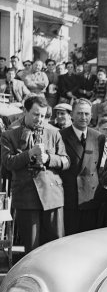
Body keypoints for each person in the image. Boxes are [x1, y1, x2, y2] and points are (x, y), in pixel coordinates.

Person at [0, 95, 70, 253]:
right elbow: (8, 163)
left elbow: (66, 161)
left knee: (56, 244)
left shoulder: (54, 133)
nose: (40, 119)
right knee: (32, 248)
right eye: (36, 114)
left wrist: (49, 159)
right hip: (26, 196)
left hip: (52, 197)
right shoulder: (9, 135)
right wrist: (29, 153)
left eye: (43, 116)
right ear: (25, 111)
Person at [59, 98, 105, 235]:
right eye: (79, 113)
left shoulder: (98, 137)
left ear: (91, 115)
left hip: (90, 199)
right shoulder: (60, 136)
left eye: (86, 114)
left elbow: (96, 168)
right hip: (69, 198)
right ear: (72, 115)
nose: (83, 117)